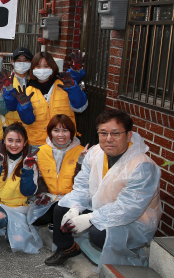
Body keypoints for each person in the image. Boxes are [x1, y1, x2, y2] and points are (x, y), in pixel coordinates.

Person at [45, 109, 162, 269]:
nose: (108, 139)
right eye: (103, 133)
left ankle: (124, 254)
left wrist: (91, 218)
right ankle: (67, 248)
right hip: (101, 207)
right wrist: (75, 207)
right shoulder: (95, 152)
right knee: (61, 208)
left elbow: (129, 208)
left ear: (128, 136)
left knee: (98, 234)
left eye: (115, 133)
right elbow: (82, 186)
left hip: (134, 221)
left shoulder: (143, 166)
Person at [0, 124, 42, 253]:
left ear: (25, 142)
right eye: (10, 140)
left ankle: (8, 230)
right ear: (4, 141)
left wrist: (27, 170)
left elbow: (28, 192)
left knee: (19, 241)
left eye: (18, 141)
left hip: (17, 207)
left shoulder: (30, 161)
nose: (14, 145)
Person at [5, 51, 88, 150]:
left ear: (52, 67)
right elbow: (28, 120)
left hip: (65, 141)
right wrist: (24, 105)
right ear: (33, 69)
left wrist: (73, 89)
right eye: (38, 66)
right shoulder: (28, 90)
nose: (42, 70)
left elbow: (80, 107)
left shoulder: (64, 84)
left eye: (46, 66)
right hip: (38, 143)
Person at [27, 115, 86, 232]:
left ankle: (58, 221)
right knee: (36, 219)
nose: (61, 135)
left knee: (64, 214)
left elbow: (82, 183)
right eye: (56, 130)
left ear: (71, 132)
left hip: (71, 200)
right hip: (50, 198)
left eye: (65, 130)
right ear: (50, 132)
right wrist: (42, 193)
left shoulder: (81, 152)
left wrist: (81, 163)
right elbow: (37, 178)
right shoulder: (40, 151)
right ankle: (55, 220)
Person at [3, 47, 33, 127]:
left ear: (30, 62)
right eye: (19, 60)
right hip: (12, 127)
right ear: (12, 62)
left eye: (25, 60)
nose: (22, 63)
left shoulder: (35, 82)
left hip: (32, 128)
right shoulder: (6, 83)